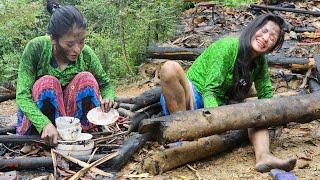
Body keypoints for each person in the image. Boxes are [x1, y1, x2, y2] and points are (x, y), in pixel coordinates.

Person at [159, 13, 296, 172]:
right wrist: (219, 125)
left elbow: (266, 94)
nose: (266, 38)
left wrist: (273, 116)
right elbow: (210, 91)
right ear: (253, 29)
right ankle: (180, 135)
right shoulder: (228, 46)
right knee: (169, 68)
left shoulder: (260, 62)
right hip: (193, 97)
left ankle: (264, 155)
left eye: (272, 37)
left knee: (257, 110)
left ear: (274, 46)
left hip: (222, 104)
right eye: (264, 31)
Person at [16, 0, 116, 146]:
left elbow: (106, 84)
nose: (77, 49)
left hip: (72, 121)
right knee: (47, 83)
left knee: (86, 78)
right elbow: (22, 96)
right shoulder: (36, 48)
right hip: (42, 123)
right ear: (53, 39)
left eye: (81, 42)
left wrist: (108, 98)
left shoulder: (86, 54)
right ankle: (36, 139)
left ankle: (85, 130)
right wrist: (43, 123)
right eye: (69, 44)